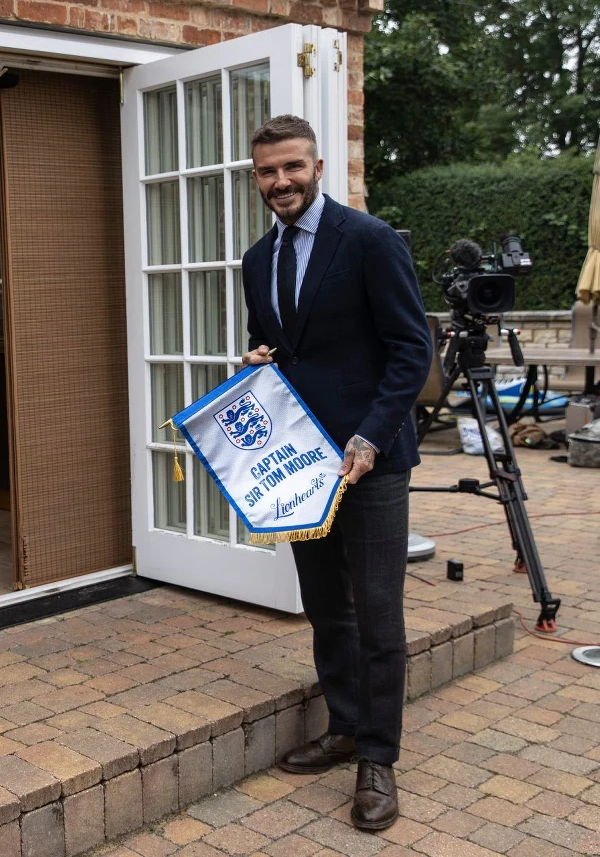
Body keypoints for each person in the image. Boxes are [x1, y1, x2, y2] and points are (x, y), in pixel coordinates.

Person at [240, 116, 433, 831]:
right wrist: (257, 361)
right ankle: (346, 725)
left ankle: (378, 758)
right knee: (326, 606)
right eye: (267, 171)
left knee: (380, 615)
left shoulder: (370, 240)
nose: (280, 182)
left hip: (371, 463)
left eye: (291, 167)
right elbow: (277, 345)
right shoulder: (257, 260)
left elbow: (412, 350)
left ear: (317, 165)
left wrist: (371, 437)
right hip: (300, 467)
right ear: (255, 177)